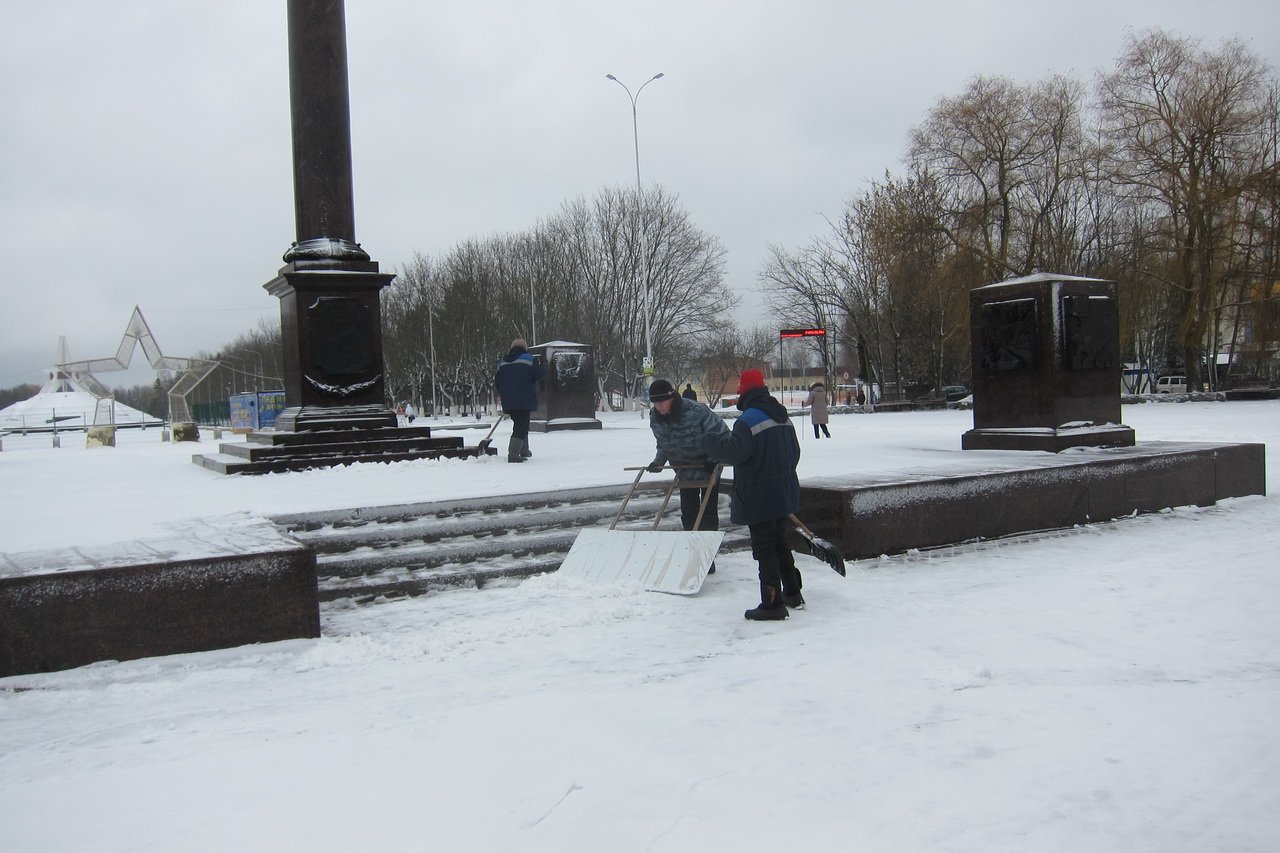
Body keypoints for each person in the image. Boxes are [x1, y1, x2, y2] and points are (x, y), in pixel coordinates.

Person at [703, 369, 803, 620]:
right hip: (784, 491)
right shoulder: (782, 416)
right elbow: (796, 453)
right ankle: (793, 592)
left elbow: (735, 453)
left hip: (760, 494)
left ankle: (772, 603)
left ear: (744, 392)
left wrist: (711, 444)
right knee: (779, 542)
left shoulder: (747, 420)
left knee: (764, 548)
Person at [646, 379, 730, 540]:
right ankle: (691, 548)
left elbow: (722, 435)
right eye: (656, 403)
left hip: (708, 468)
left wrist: (713, 459)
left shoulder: (697, 411)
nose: (659, 407)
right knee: (689, 514)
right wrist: (658, 462)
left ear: (672, 397)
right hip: (684, 470)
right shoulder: (655, 416)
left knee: (707, 515)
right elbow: (663, 441)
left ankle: (707, 554)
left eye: (662, 402)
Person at [494, 338, 545, 463]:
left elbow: (497, 381)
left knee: (521, 423)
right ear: (525, 349)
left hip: (508, 400)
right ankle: (513, 454)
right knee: (521, 425)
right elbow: (541, 374)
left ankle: (524, 450)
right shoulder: (529, 359)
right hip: (523, 398)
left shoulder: (503, 362)